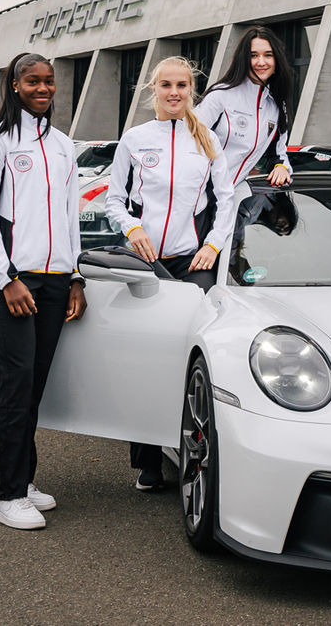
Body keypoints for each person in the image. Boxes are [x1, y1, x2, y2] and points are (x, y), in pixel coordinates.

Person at [105, 57, 235, 491]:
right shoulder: (135, 139)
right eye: (166, 85)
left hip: (190, 260)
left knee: (189, 353)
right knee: (144, 357)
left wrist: (213, 245)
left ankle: (192, 447)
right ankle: (146, 462)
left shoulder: (208, 139)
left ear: (190, 91)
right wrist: (133, 227)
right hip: (144, 262)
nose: (174, 92)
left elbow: (227, 199)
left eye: (181, 85)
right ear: (153, 89)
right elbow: (113, 201)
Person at [0, 52, 87, 531]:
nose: (43, 89)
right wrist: (6, 276)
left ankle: (19, 474)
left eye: (49, 82)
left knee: (35, 383)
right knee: (16, 383)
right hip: (15, 280)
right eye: (32, 81)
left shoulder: (63, 144)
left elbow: (70, 214)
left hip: (57, 281)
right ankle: (7, 495)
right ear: (14, 86)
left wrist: (77, 274)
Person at [195, 25, 294, 186]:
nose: (261, 62)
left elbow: (277, 153)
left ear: (276, 60)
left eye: (268, 55)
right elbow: (185, 141)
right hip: (195, 196)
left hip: (227, 200)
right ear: (243, 59)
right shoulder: (220, 96)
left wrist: (281, 167)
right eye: (253, 55)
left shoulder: (276, 107)